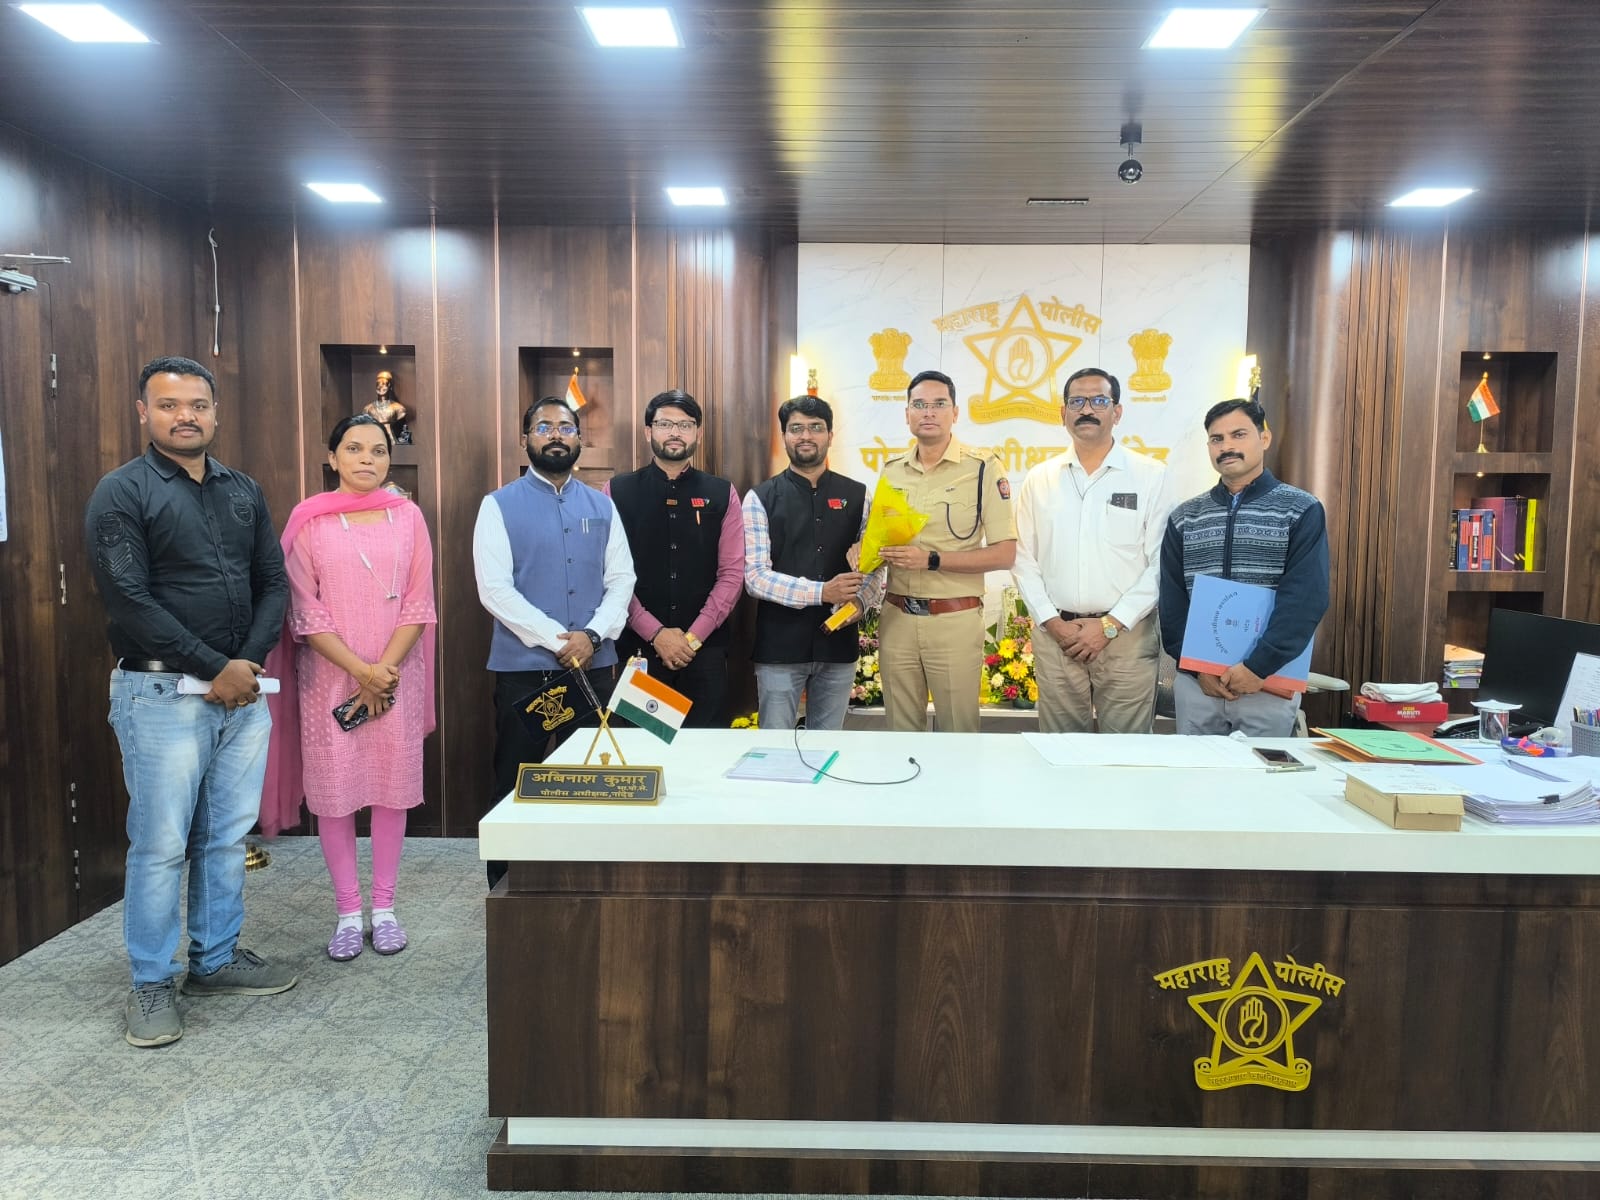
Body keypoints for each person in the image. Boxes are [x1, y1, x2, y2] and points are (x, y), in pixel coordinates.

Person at [85, 355, 297, 1049]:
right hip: (160, 694)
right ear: (143, 412)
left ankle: (215, 958)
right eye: (170, 405)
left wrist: (247, 664)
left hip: (242, 693)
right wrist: (215, 667)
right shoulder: (121, 492)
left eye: (198, 405)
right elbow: (129, 600)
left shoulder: (243, 490)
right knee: (160, 845)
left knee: (226, 835)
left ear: (214, 412)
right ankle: (151, 982)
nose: (186, 416)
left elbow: (273, 582)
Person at [262, 415, 437, 961]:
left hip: (397, 674)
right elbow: (304, 611)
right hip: (330, 677)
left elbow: (419, 602)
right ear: (333, 457)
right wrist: (363, 672)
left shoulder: (408, 516)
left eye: (378, 450)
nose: (367, 459)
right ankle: (346, 912)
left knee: (390, 790)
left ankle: (383, 909)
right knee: (334, 796)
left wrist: (384, 670)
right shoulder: (310, 521)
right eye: (354, 448)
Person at [473, 397, 634, 888]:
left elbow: (622, 580)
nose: (556, 434)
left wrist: (592, 636)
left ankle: (582, 885)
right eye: (544, 427)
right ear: (525, 439)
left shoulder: (603, 505)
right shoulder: (498, 505)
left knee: (590, 782)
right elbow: (494, 590)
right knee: (515, 781)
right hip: (524, 671)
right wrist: (559, 640)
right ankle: (506, 890)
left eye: (566, 426)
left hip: (594, 670)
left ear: (580, 438)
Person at [1012, 367, 1172, 733]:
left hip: (1127, 638)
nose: (1087, 409)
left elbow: (1161, 563)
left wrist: (1110, 626)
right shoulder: (1039, 479)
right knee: (1061, 750)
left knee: (1126, 752)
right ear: (1063, 413)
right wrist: (1052, 623)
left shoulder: (1150, 475)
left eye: (1099, 400)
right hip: (1057, 638)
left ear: (1117, 412)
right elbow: (1022, 559)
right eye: (1077, 401)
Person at [1158, 398, 1330, 736]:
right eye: (1217, 439)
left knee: (1261, 770)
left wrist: (1258, 667)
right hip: (1199, 685)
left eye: (1238, 435)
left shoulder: (1300, 509)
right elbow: (1172, 601)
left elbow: (1306, 597)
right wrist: (1195, 668)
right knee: (1194, 769)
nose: (1227, 447)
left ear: (1264, 438)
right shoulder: (1185, 517)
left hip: (1267, 683)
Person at [876, 369, 1016, 732]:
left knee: (958, 733)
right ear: (907, 413)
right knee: (900, 734)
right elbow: (881, 539)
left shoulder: (983, 468)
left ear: (955, 412)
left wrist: (932, 560)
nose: (928, 412)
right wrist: (863, 548)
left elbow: (1004, 554)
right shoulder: (891, 471)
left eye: (939, 404)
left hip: (954, 619)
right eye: (919, 405)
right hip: (897, 618)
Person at [743, 394, 883, 729]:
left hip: (838, 648)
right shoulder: (760, 498)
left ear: (830, 435)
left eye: (816, 427)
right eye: (796, 428)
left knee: (827, 745)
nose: (806, 436)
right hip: (779, 649)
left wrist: (861, 602)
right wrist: (822, 592)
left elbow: (874, 565)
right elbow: (755, 577)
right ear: (784, 436)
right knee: (775, 745)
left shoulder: (859, 495)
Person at [603, 389, 741, 727]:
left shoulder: (722, 493)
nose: (675, 432)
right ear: (648, 432)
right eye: (665, 424)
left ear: (698, 434)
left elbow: (732, 575)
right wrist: (656, 633)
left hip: (704, 651)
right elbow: (609, 574)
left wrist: (691, 638)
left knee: (703, 749)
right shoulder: (617, 491)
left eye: (685, 425)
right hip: (639, 650)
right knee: (643, 746)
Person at [364, 370, 410, 444]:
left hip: (391, 440)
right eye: (378, 384)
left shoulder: (399, 408)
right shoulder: (368, 409)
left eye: (384, 384)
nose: (380, 387)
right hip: (373, 440)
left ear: (390, 386)